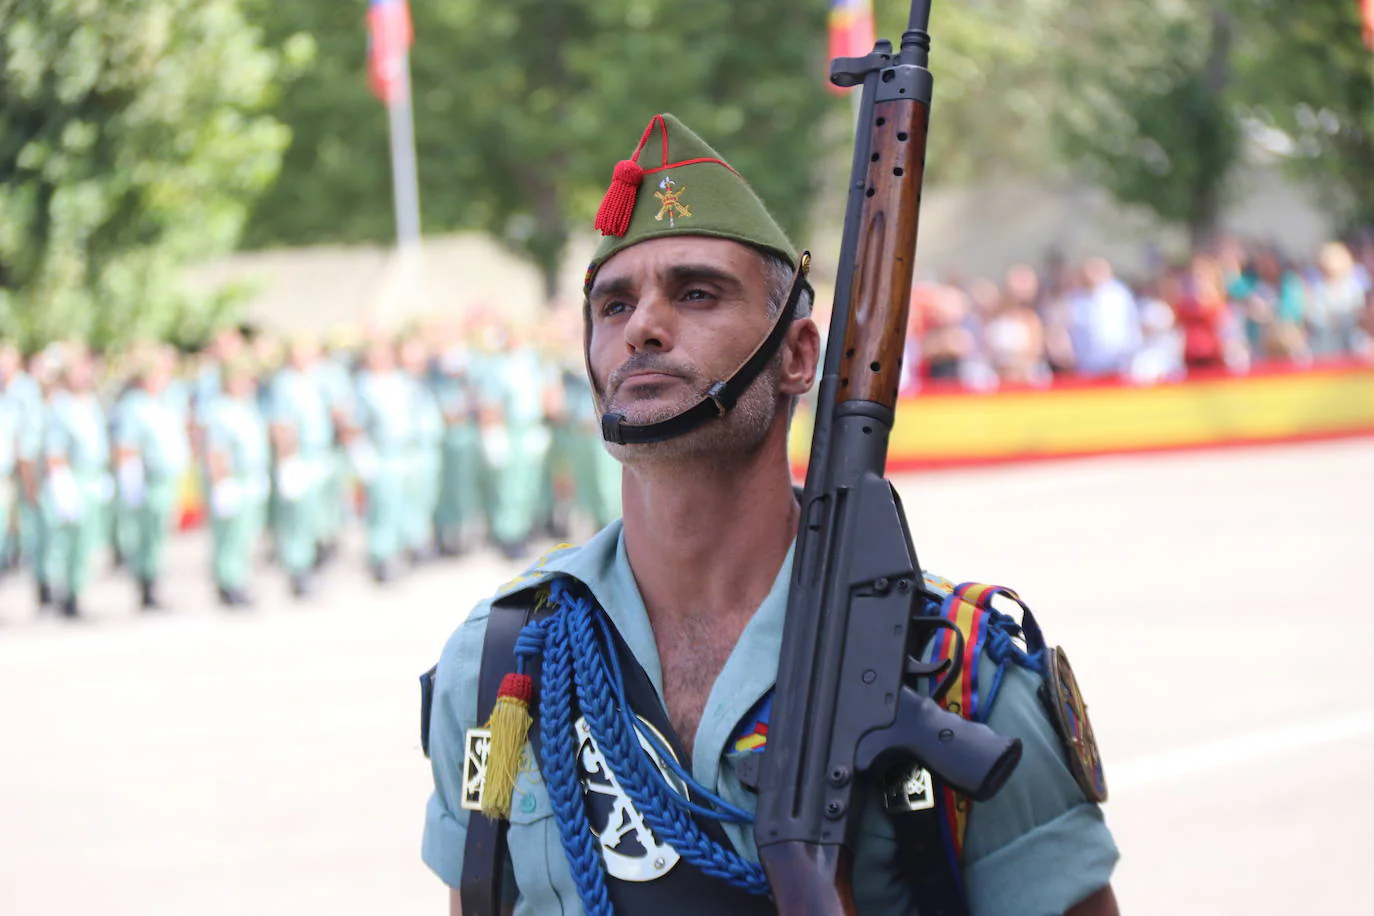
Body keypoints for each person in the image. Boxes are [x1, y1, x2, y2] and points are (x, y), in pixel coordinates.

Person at [422, 114, 1119, 916]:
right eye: (613, 306)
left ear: (796, 356)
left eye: (695, 292)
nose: (643, 325)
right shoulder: (503, 662)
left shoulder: (956, 673)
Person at [201, 355, 271, 608]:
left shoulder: (247, 407)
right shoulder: (219, 410)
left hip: (249, 477)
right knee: (230, 536)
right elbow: (217, 451)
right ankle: (228, 583)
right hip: (232, 478)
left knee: (245, 535)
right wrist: (222, 483)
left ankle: (241, 579)